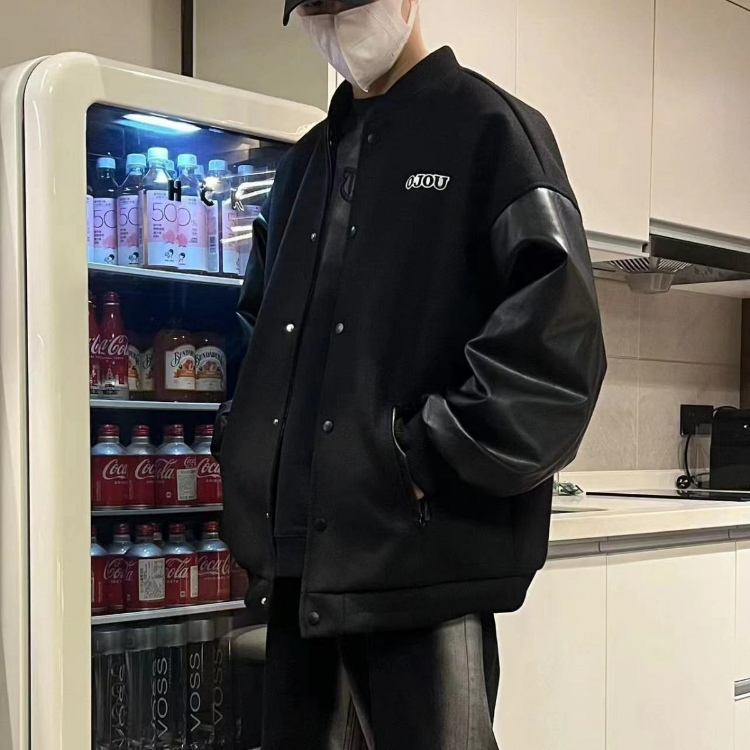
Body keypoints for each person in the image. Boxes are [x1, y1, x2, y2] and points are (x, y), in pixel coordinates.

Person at [213, 0, 607, 747]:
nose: (334, 22)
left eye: (349, 2)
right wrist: (244, 451)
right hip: (298, 570)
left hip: (420, 570)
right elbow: (256, 335)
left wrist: (421, 458)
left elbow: (558, 348)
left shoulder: (491, 132)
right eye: (316, 8)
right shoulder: (303, 166)